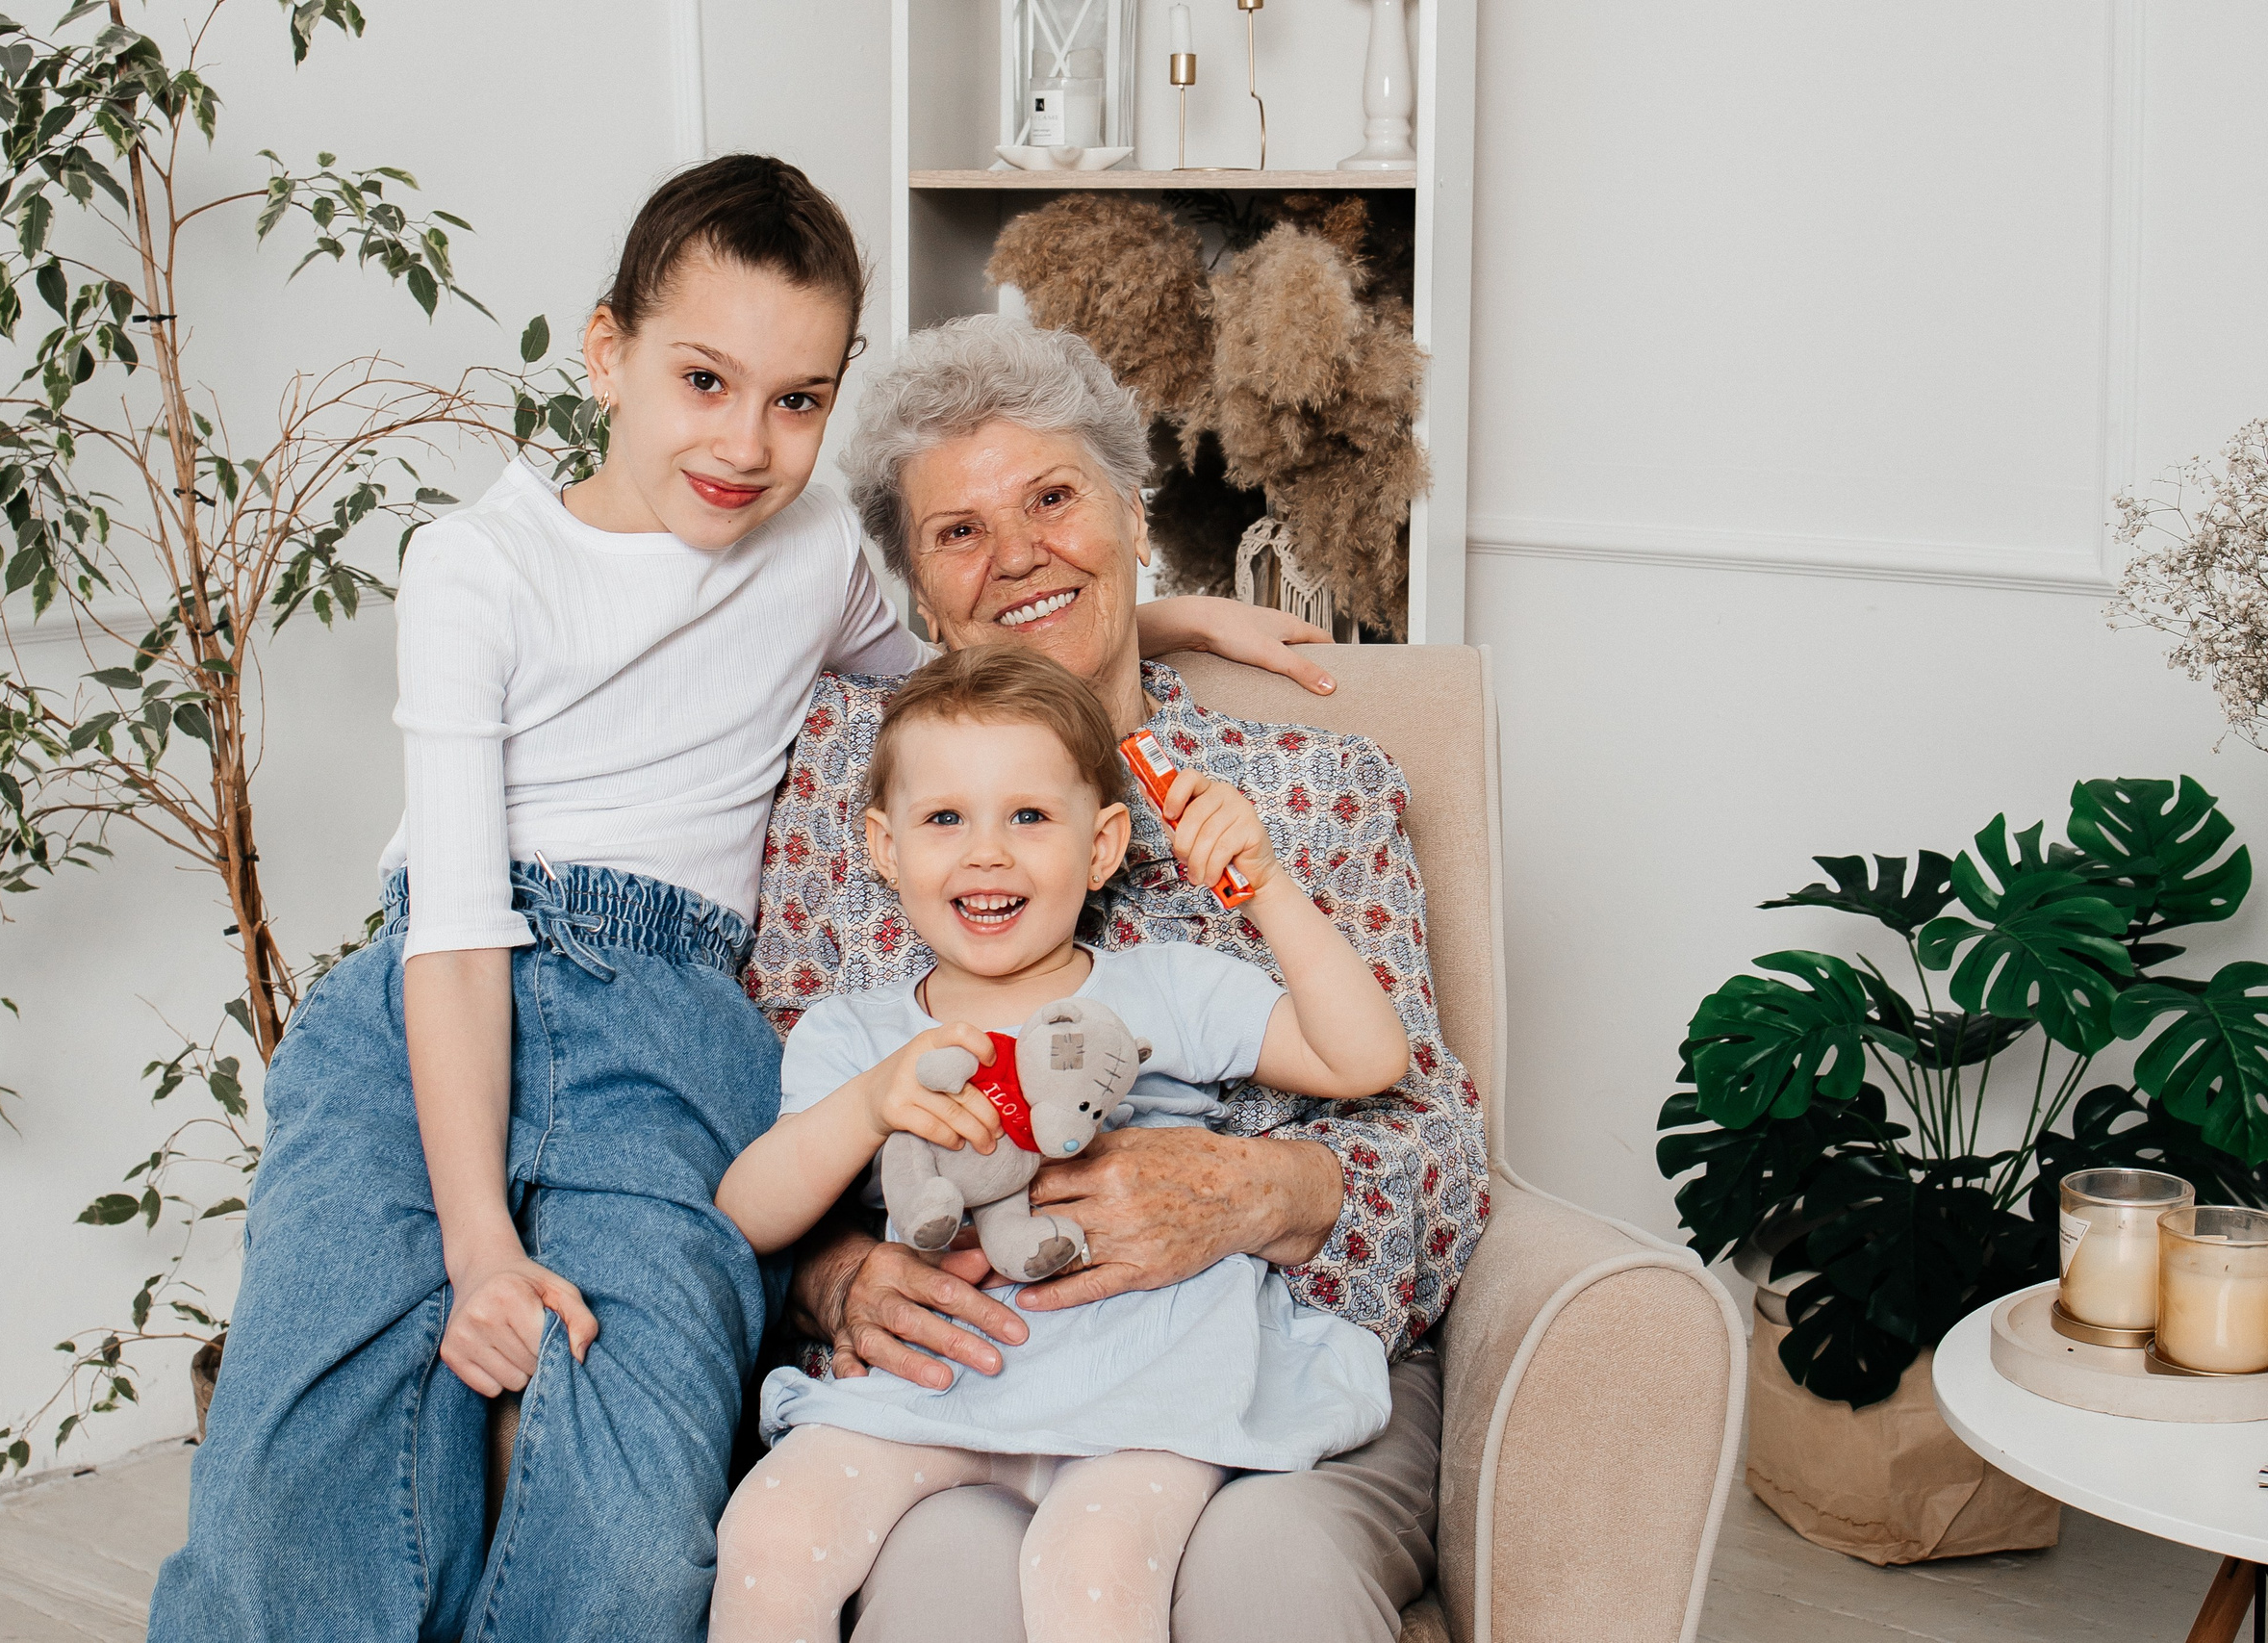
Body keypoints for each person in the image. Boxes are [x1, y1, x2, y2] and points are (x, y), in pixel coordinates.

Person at [148, 158, 1315, 1643]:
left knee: (640, 1545)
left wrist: (1163, 612)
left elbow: (962, 676)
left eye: (799, 399)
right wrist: (477, 1250)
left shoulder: (817, 548)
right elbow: (452, 928)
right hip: (428, 1003)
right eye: (704, 377)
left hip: (669, 1027)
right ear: (607, 351)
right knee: (282, 1497)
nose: (746, 442)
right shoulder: (476, 568)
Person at [742, 315, 1491, 1641]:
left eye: (1052, 497)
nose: (1018, 552)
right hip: (957, 1371)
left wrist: (1258, 1190)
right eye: (958, 531)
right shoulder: (847, 778)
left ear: (1133, 518)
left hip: (1243, 1345)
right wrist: (838, 1272)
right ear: (916, 588)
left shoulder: (1312, 790)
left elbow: (1429, 1130)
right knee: (937, 1587)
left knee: (1268, 1579)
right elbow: (767, 1134)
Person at [710, 646, 1407, 1641]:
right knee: (771, 1529)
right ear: (884, 847)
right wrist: (869, 1107)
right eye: (945, 818)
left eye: (1028, 816)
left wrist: (1265, 891)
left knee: (1091, 1569)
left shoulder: (1161, 985)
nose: (986, 852)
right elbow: (748, 1214)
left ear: (1102, 845)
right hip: (939, 1392)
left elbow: (1366, 1059)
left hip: (1147, 1388)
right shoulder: (856, 1036)